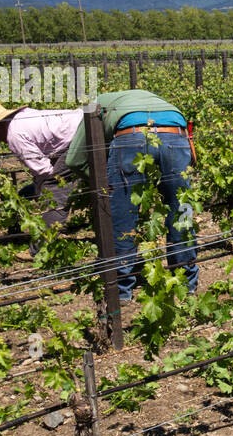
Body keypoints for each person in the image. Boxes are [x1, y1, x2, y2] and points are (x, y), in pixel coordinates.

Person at [65, 89, 199, 302]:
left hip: (131, 137)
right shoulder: (147, 97)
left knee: (123, 215)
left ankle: (120, 289)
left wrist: (104, 183)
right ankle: (184, 281)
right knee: (181, 209)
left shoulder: (94, 106)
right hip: (176, 134)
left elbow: (73, 160)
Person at [0, 100, 82, 227]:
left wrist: (40, 192)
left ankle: (45, 240)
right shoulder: (21, 117)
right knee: (44, 183)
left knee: (52, 186)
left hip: (80, 135)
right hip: (82, 123)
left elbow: (44, 171)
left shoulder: (14, 135)